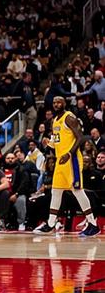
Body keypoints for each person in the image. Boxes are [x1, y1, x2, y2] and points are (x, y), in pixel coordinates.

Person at [34, 97, 100, 236]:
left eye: (59, 102)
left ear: (64, 104)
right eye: (54, 102)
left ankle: (93, 224)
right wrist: (49, 143)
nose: (56, 104)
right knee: (56, 191)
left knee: (77, 190)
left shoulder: (69, 117)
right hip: (60, 160)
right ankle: (51, 223)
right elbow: (57, 140)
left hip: (72, 159)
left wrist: (69, 153)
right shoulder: (54, 120)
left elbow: (80, 137)